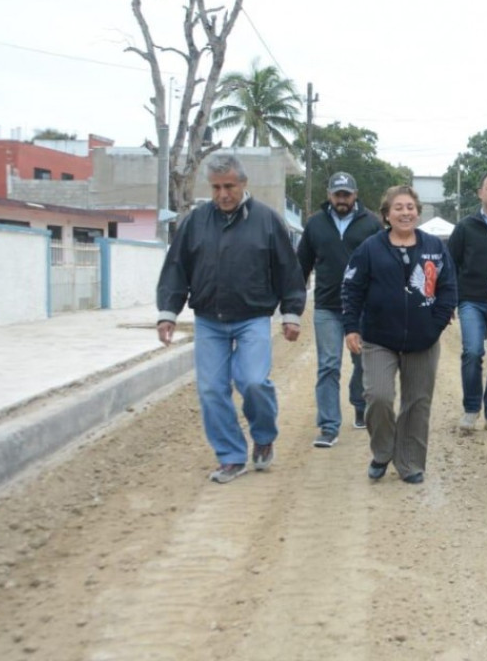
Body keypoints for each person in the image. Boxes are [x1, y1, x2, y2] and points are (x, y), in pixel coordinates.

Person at [155, 153, 306, 484]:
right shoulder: (195, 222)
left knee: (252, 381)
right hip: (209, 319)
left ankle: (263, 436)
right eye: (216, 187)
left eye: (229, 186)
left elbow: (288, 271)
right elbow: (176, 268)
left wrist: (291, 313)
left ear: (243, 184)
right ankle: (231, 456)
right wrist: (168, 312)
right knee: (211, 389)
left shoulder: (267, 220)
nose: (223, 194)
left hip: (252, 317)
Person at [342, 185, 457, 484]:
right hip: (379, 338)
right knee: (378, 397)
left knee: (417, 403)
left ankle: (410, 464)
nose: (405, 213)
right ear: (386, 215)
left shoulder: (435, 246)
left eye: (410, 207)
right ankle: (382, 451)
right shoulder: (369, 248)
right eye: (398, 208)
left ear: (417, 212)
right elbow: (352, 289)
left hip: (423, 340)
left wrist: (436, 325)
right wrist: (351, 327)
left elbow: (448, 288)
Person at [296, 172, 383, 448]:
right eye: (337, 194)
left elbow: (383, 263)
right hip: (327, 307)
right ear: (329, 195)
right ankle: (329, 426)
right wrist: (292, 304)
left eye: (347, 194)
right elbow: (302, 266)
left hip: (362, 307)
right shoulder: (315, 225)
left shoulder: (371, 224)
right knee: (328, 365)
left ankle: (359, 403)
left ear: (355, 195)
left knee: (362, 363)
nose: (342, 199)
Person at [448, 173, 487, 436]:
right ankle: (471, 409)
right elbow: (450, 264)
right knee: (472, 352)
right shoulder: (465, 227)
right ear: (480, 193)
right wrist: (450, 300)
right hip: (471, 301)